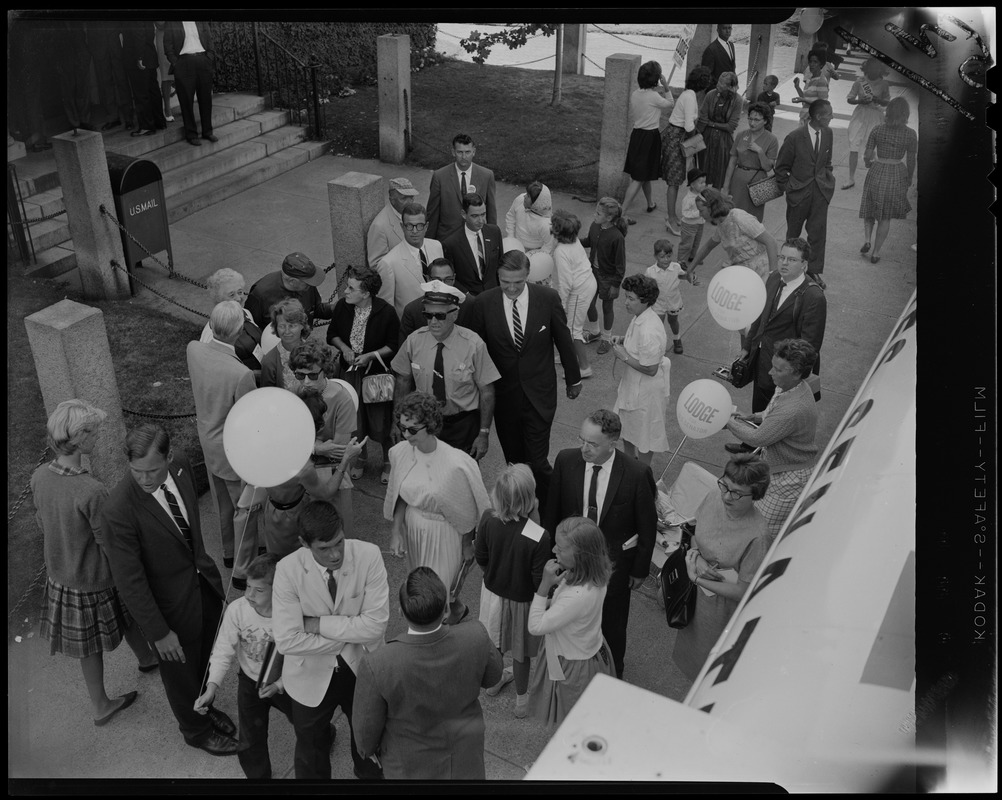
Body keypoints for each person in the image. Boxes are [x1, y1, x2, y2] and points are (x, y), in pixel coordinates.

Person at [103, 424, 238, 756]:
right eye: (137, 472)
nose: (146, 479)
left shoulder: (181, 466)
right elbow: (130, 582)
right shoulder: (118, 510)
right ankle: (196, 730)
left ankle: (206, 706)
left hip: (203, 585)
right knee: (180, 674)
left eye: (153, 470)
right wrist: (159, 633)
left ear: (168, 456)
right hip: (168, 610)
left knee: (206, 657)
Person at [31, 400, 157, 726]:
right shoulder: (91, 489)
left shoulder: (40, 476)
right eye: (94, 431)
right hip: (92, 577)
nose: (98, 436)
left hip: (61, 574)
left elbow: (42, 522)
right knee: (93, 645)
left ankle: (146, 657)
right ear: (81, 436)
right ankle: (101, 704)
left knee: (123, 614)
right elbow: (109, 542)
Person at [271, 500, 389, 780]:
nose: (335, 554)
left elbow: (375, 626)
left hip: (362, 670)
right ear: (303, 543)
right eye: (324, 549)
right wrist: (344, 638)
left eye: (339, 542)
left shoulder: (369, 555)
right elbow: (287, 641)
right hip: (308, 676)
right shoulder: (287, 570)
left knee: (369, 740)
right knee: (310, 752)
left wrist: (317, 625)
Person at [353, 567, 503, 779]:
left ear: (401, 612)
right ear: (446, 611)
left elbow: (365, 738)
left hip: (408, 768)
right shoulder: (476, 635)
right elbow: (494, 677)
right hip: (466, 760)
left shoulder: (377, 664)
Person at [543, 410, 658, 679]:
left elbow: (647, 526)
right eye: (582, 439)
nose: (584, 448)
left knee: (612, 626)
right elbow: (552, 513)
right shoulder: (565, 460)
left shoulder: (636, 473)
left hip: (614, 568)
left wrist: (639, 570)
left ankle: (612, 677)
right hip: (571, 564)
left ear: (613, 443)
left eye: (593, 444)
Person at [467, 251, 582, 508]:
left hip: (539, 395)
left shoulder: (547, 298)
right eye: (505, 281)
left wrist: (573, 379)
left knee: (538, 462)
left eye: (517, 282)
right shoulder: (484, 303)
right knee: (515, 462)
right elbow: (477, 350)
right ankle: (523, 507)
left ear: (527, 276)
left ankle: (556, 506)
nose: (510, 287)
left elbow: (563, 340)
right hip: (505, 398)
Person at [384, 392, 491, 625]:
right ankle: (457, 611)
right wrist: (396, 533)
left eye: (412, 429)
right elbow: (401, 495)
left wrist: (466, 544)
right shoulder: (400, 453)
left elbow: (467, 510)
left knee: (439, 590)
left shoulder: (456, 464)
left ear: (430, 425)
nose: (405, 434)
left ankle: (443, 636)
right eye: (402, 428)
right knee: (422, 589)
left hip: (445, 535)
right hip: (414, 531)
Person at [671, 454, 771, 681]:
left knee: (707, 669)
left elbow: (743, 592)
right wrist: (697, 557)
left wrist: (697, 577)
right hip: (695, 592)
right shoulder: (714, 496)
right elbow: (696, 533)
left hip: (719, 611)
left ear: (756, 494)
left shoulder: (758, 536)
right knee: (689, 653)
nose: (727, 496)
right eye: (725, 485)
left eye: (736, 492)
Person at [193, 554, 294, 779]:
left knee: (306, 721)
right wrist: (212, 687)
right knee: (250, 738)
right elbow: (222, 650)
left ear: (278, 590)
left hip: (286, 681)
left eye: (258, 590)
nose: (248, 595)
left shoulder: (291, 614)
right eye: (247, 586)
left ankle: (325, 734)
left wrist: (279, 684)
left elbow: (302, 658)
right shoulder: (237, 610)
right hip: (249, 680)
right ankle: (258, 778)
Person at [186, 300, 260, 590]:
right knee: (245, 508)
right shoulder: (239, 374)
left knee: (222, 506)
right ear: (239, 330)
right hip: (232, 449)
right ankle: (242, 569)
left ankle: (228, 553)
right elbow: (249, 417)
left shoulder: (194, 349)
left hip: (208, 440)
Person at [723, 339, 820, 540]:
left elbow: (759, 437)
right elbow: (771, 413)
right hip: (778, 470)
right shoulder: (788, 387)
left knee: (762, 531)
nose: (770, 373)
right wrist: (755, 416)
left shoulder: (793, 409)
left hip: (789, 480)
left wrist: (725, 420)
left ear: (796, 373)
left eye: (778, 370)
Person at [475, 464, 552, 719]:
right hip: (523, 601)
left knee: (495, 643)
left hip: (493, 594)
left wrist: (493, 572)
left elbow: (481, 557)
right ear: (530, 499)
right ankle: (521, 700)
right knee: (520, 653)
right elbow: (537, 578)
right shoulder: (539, 536)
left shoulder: (488, 517)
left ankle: (495, 681)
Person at [391, 281, 499, 458]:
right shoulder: (414, 341)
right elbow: (402, 381)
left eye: (440, 316)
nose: (433, 321)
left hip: (461, 425)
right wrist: (397, 422)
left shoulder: (474, 344)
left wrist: (483, 433)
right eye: (428, 315)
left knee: (460, 479)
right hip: (423, 422)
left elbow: (486, 391)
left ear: (454, 314)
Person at [527, 516, 616, 727]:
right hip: (590, 650)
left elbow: (535, 626)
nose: (554, 550)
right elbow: (572, 609)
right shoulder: (595, 576)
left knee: (570, 724)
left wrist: (544, 587)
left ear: (581, 555)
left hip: (572, 665)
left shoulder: (577, 596)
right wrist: (554, 601)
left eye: (561, 548)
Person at [262, 392, 364, 558]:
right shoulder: (303, 467)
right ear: (318, 426)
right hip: (291, 518)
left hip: (272, 509)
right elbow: (327, 493)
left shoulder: (270, 441)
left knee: (276, 557)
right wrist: (345, 459)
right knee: (297, 564)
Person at [327, 265, 399, 483]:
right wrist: (346, 349)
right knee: (354, 419)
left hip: (375, 376)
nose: (345, 292)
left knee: (381, 419)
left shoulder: (386, 312)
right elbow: (332, 334)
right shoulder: (343, 307)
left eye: (351, 288)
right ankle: (361, 458)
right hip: (348, 375)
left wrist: (370, 356)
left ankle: (388, 461)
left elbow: (394, 345)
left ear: (366, 293)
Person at [737, 237, 826, 413]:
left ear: (804, 264)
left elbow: (810, 345)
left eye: (791, 259)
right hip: (762, 360)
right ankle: (750, 441)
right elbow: (760, 314)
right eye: (781, 257)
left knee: (777, 415)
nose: (784, 263)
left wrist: (788, 375)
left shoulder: (814, 297)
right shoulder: (774, 278)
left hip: (785, 371)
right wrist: (747, 347)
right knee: (759, 406)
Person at [289, 340, 360, 536]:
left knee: (335, 529)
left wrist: (307, 445)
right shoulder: (295, 392)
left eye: (312, 375)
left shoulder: (342, 400)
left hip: (331, 472)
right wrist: (317, 447)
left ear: (326, 370)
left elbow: (338, 449)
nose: (306, 382)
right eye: (299, 375)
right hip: (302, 472)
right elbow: (286, 436)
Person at [611, 275, 671, 465]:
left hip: (646, 392)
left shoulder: (649, 329)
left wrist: (624, 356)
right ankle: (629, 465)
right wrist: (623, 340)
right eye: (626, 297)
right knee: (627, 429)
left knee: (645, 437)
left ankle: (642, 473)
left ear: (644, 301)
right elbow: (638, 346)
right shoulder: (640, 317)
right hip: (633, 386)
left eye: (631, 298)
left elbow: (651, 368)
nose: (626, 302)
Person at [774, 98, 836, 278]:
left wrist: (828, 180)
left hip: (820, 193)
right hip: (798, 195)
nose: (831, 117)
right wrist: (789, 188)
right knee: (793, 235)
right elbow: (781, 168)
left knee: (817, 234)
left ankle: (813, 271)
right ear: (818, 116)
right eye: (829, 115)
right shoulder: (794, 137)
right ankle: (788, 270)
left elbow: (827, 162)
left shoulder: (828, 133)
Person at [859, 97, 917, 264]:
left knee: (870, 209)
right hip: (897, 173)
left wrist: (868, 162)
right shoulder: (910, 134)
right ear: (906, 114)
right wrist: (909, 177)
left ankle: (867, 239)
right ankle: (876, 252)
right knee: (886, 216)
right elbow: (911, 159)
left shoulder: (877, 130)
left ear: (888, 112)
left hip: (877, 170)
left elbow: (868, 154)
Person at [687, 188, 779, 284]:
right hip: (743, 272)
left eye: (701, 210)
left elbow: (771, 242)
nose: (699, 214)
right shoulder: (721, 225)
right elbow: (707, 247)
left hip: (762, 271)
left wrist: (773, 277)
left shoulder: (739, 217)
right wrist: (690, 269)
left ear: (711, 207)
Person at [622, 60, 674, 224]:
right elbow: (670, 104)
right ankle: (621, 213)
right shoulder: (654, 96)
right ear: (656, 79)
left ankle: (650, 203)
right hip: (650, 137)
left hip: (637, 135)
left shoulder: (636, 94)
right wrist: (666, 86)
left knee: (642, 175)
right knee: (639, 178)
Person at [550, 210, 598, 379]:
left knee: (572, 330)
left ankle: (584, 367)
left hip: (579, 290)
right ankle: (566, 355)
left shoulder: (561, 252)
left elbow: (565, 283)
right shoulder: (575, 240)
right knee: (570, 327)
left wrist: (561, 304)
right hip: (587, 281)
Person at [376, 202, 445, 318]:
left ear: (426, 226)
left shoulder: (437, 246)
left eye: (419, 225)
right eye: (409, 226)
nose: (414, 231)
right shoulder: (388, 263)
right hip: (410, 327)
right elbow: (386, 308)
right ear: (402, 227)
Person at [660, 68, 707, 236]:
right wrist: (697, 136)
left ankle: (672, 216)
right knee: (674, 181)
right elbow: (688, 126)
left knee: (676, 180)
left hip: (675, 136)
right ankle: (671, 219)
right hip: (676, 138)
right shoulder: (690, 97)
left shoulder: (689, 95)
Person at [426, 133, 497, 241]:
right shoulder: (439, 176)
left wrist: (492, 238)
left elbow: (491, 210)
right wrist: (429, 241)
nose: (464, 157)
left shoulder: (487, 175)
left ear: (474, 152)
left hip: (475, 237)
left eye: (467, 152)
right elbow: (433, 212)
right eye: (460, 152)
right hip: (447, 237)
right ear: (453, 152)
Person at [581, 197, 628, 354]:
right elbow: (589, 241)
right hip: (592, 272)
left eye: (598, 213)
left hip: (608, 277)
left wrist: (616, 285)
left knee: (607, 307)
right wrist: (572, 239)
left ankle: (607, 338)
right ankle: (595, 332)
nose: (595, 215)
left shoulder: (617, 237)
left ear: (609, 217)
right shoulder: (595, 226)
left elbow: (621, 265)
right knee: (588, 302)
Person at [199, 268, 264, 377]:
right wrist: (255, 374)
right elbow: (218, 373)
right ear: (218, 299)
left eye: (240, 292)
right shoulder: (212, 333)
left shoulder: (246, 312)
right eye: (231, 295)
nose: (239, 298)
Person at [245, 252, 334, 331]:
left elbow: (315, 309)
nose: (311, 285)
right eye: (308, 282)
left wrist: (335, 307)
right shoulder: (260, 294)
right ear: (292, 281)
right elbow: (251, 327)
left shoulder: (306, 286)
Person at [723, 101, 779, 223]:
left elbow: (768, 167)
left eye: (757, 120)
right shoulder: (741, 135)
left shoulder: (772, 140)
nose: (752, 123)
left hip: (757, 184)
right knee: (733, 215)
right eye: (750, 119)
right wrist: (725, 187)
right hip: (738, 180)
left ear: (765, 121)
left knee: (752, 218)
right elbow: (732, 162)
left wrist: (760, 152)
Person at [163, 21, 216, 146]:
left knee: (205, 99)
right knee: (186, 100)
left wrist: (209, 56)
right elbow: (168, 45)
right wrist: (176, 63)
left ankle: (207, 132)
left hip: (203, 60)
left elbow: (209, 39)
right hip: (183, 62)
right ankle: (191, 134)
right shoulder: (172, 23)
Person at [397, 258, 473, 343]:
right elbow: (404, 350)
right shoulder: (412, 310)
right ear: (428, 279)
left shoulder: (468, 305)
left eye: (448, 279)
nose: (442, 284)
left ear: (454, 278)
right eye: (437, 280)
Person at [442, 192, 503, 296]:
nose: (481, 220)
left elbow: (501, 264)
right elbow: (450, 277)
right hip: (469, 300)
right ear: (463, 214)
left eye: (483, 214)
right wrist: (466, 295)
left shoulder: (494, 232)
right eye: (475, 216)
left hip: (494, 296)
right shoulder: (451, 243)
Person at [844, 58, 891, 190]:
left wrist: (877, 99)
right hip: (860, 114)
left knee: (873, 147)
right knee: (854, 143)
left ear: (881, 70)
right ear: (866, 68)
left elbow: (887, 102)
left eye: (877, 69)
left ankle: (874, 173)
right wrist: (860, 101)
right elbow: (850, 99)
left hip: (875, 115)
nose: (874, 71)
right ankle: (851, 178)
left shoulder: (884, 84)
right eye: (871, 68)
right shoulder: (860, 82)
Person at [698, 71, 742, 191]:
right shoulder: (711, 95)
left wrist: (711, 124)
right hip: (706, 139)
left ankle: (716, 202)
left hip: (724, 142)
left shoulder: (737, 100)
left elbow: (731, 126)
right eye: (718, 81)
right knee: (703, 173)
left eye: (722, 83)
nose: (718, 84)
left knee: (720, 173)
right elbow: (702, 118)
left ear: (730, 87)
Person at [122, 20, 166, 137]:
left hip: (138, 59)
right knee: (153, 90)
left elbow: (138, 33)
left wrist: (139, 56)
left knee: (141, 94)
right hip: (149, 56)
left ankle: (146, 126)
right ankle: (159, 122)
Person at [88, 21, 133, 132]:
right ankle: (113, 118)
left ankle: (129, 118)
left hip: (117, 48)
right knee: (106, 83)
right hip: (100, 50)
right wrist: (94, 50)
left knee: (122, 82)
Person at [259, 297, 312, 390]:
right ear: (276, 328)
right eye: (282, 326)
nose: (287, 331)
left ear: (302, 325)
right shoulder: (269, 362)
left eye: (292, 326)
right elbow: (267, 396)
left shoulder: (315, 351)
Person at [367, 177, 419, 269]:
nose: (409, 202)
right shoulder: (379, 226)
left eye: (411, 197)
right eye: (403, 198)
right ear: (391, 199)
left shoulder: (409, 212)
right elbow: (376, 265)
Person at [644, 239, 685, 354]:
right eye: (662, 257)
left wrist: (690, 276)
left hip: (673, 301)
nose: (666, 260)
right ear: (655, 256)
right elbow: (647, 286)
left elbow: (684, 276)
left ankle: (677, 339)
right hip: (658, 303)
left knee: (673, 321)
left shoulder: (676, 267)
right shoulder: (650, 271)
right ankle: (658, 344)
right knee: (658, 324)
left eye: (668, 256)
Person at [505, 181, 555, 254]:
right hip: (517, 244)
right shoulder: (520, 200)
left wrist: (535, 253)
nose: (524, 196)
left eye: (528, 196)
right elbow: (510, 216)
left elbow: (548, 245)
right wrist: (510, 237)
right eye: (526, 193)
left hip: (536, 251)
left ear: (536, 203)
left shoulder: (546, 223)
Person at [676, 168, 708, 269]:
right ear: (693, 185)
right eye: (701, 183)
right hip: (689, 225)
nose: (704, 184)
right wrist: (699, 212)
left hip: (699, 224)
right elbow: (685, 213)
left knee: (696, 242)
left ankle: (692, 256)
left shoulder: (702, 195)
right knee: (686, 244)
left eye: (704, 182)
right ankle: (681, 261)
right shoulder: (688, 199)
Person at [792, 50, 832, 125]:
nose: (812, 64)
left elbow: (822, 103)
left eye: (815, 62)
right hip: (804, 117)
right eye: (810, 62)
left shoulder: (821, 81)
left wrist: (803, 99)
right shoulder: (810, 78)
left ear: (821, 64)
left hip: (812, 120)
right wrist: (797, 87)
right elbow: (805, 98)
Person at [154, 21, 175, 122]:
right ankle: (167, 109)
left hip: (178, 33)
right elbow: (160, 24)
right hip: (163, 35)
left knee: (181, 71)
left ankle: (185, 105)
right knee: (166, 74)